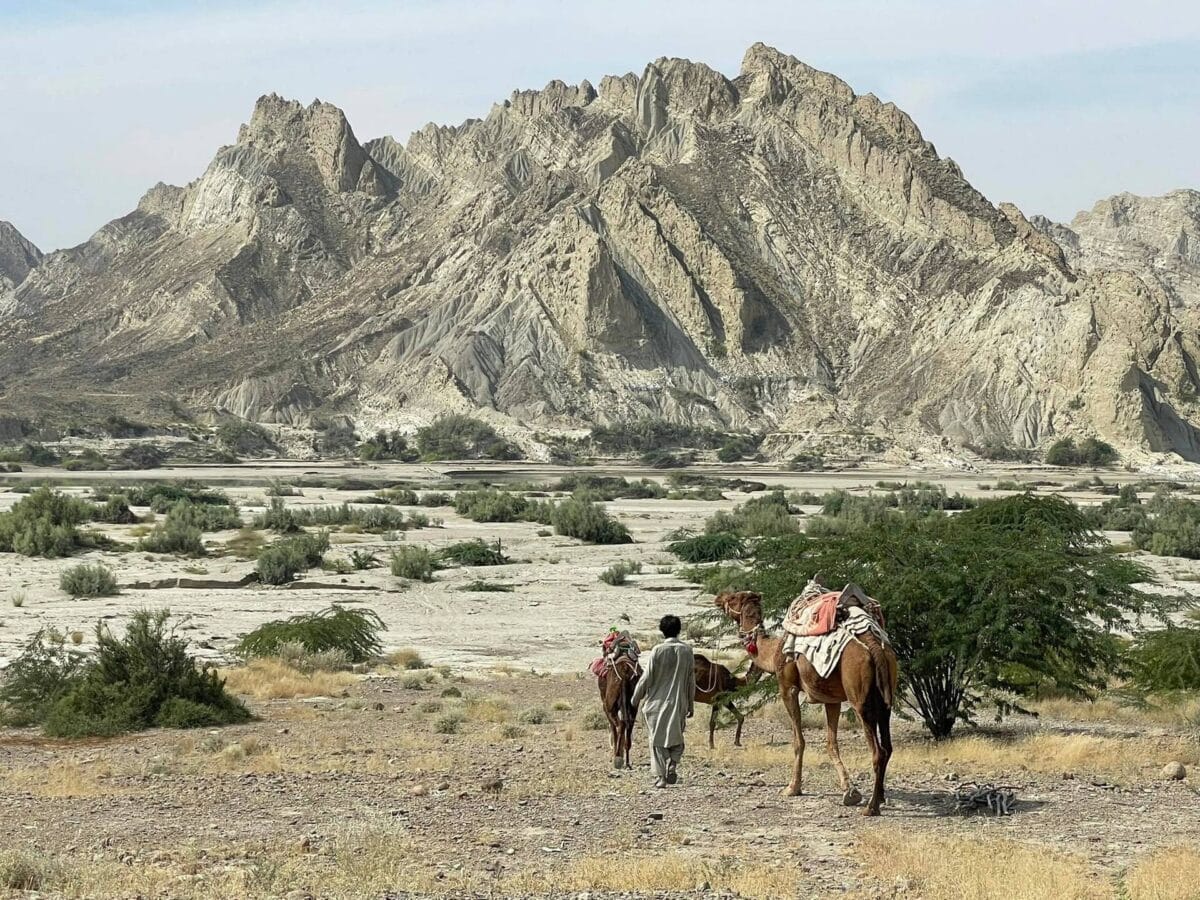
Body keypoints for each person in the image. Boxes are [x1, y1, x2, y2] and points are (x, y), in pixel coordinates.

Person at [631, 614, 695, 788]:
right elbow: (691, 681)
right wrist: (690, 704)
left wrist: (636, 698)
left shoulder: (658, 650)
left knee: (657, 740)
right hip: (679, 703)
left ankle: (660, 777)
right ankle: (673, 763)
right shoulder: (687, 651)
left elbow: (646, 677)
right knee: (677, 737)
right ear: (679, 630)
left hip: (656, 704)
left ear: (662, 630)